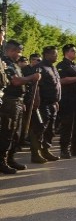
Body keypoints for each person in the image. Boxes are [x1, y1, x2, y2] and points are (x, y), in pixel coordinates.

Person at [0, 40, 41, 174]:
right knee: (7, 133)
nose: (19, 54)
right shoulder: (5, 63)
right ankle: (2, 161)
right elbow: (15, 81)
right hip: (9, 101)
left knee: (16, 134)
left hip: (17, 101)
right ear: (11, 50)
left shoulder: (15, 64)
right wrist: (32, 77)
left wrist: (22, 102)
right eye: (18, 51)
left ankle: (10, 159)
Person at [28, 46, 61, 163]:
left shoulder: (53, 68)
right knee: (39, 128)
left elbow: (55, 86)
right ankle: (35, 154)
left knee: (50, 129)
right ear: (47, 55)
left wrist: (56, 101)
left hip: (52, 104)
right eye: (54, 54)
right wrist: (36, 100)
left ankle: (46, 150)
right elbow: (35, 85)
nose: (56, 56)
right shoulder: (39, 67)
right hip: (42, 104)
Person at [56, 44, 76, 158]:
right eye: (73, 51)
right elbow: (61, 80)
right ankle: (64, 149)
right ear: (66, 52)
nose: (75, 53)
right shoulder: (62, 65)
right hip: (68, 98)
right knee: (68, 124)